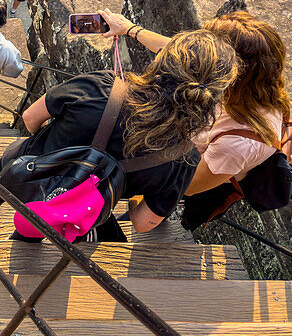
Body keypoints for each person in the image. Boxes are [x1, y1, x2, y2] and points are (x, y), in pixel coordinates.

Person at [0, 30, 237, 240]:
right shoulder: (182, 158)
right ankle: (21, 246)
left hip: (34, 167)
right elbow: (143, 223)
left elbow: (30, 118)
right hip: (82, 206)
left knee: (12, 158)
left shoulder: (103, 87)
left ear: (164, 61)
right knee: (54, 217)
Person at [99, 10, 291, 204]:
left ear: (232, 69)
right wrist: (130, 29)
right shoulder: (259, 84)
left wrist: (136, 197)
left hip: (204, 179)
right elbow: (181, 53)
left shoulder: (237, 144)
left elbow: (188, 186)